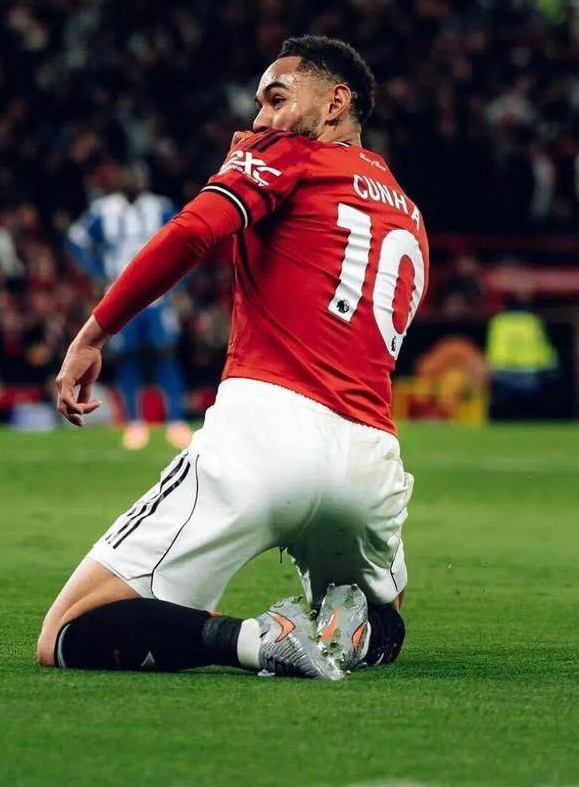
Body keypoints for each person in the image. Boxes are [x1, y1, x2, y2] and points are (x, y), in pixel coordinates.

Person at [37, 35, 429, 679]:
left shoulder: (287, 154)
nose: (261, 118)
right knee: (379, 613)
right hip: (370, 461)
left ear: (336, 102)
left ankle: (256, 640)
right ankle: (350, 634)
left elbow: (193, 232)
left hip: (265, 434)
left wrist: (92, 334)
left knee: (67, 633)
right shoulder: (409, 213)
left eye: (277, 98)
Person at [68, 163, 191, 450]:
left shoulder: (160, 207)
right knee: (128, 357)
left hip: (158, 295)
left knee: (166, 354)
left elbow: (188, 240)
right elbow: (76, 239)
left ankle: (176, 421)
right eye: (128, 175)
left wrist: (179, 282)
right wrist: (99, 273)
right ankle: (135, 423)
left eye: (138, 175)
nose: (134, 180)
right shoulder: (104, 209)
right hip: (120, 295)